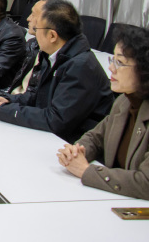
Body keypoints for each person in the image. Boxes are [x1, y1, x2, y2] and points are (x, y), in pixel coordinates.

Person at [0, 0, 114, 143]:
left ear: (52, 36)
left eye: (37, 29)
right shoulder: (55, 55)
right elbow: (39, 96)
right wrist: (9, 100)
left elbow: (56, 120)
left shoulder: (80, 66)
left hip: (75, 142)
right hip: (57, 135)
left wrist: (4, 112)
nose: (33, 31)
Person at [57, 25, 149, 200]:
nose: (111, 68)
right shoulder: (124, 101)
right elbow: (96, 137)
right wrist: (76, 152)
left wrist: (86, 171)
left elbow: (145, 183)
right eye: (112, 60)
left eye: (120, 62)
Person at [0, 0, 47, 97]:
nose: (28, 18)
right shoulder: (32, 44)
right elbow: (19, 80)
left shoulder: (54, 57)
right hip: (16, 98)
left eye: (33, 15)